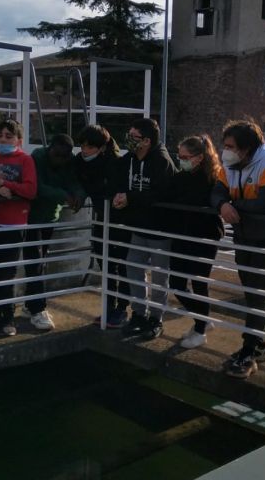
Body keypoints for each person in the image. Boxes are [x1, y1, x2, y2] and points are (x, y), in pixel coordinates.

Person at [212, 119, 265, 379]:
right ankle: (260, 345)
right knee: (250, 289)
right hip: (244, 236)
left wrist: (232, 204)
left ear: (246, 149)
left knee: (258, 291)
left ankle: (249, 348)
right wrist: (223, 204)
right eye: (225, 146)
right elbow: (216, 192)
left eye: (231, 146)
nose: (226, 151)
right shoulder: (231, 165)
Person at [110, 117, 177, 339]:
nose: (128, 139)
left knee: (159, 277)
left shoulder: (161, 161)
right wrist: (120, 196)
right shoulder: (130, 159)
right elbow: (120, 180)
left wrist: (130, 197)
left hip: (159, 228)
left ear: (146, 141)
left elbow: (162, 193)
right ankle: (139, 313)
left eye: (133, 136)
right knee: (133, 268)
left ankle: (156, 318)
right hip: (138, 226)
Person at [161, 135, 225, 349]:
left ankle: (200, 329)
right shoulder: (181, 177)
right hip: (182, 234)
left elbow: (202, 200)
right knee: (178, 284)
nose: (181, 160)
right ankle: (203, 321)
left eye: (185, 157)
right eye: (179, 156)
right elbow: (168, 196)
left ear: (199, 158)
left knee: (199, 282)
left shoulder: (213, 179)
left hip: (204, 236)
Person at [0, 118, 37, 337]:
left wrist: (7, 185)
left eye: (9, 136)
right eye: (0, 135)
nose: (3, 139)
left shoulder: (25, 160)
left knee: (8, 272)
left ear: (19, 140)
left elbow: (31, 190)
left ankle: (8, 317)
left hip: (14, 223)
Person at [24, 133, 86, 331]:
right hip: (31, 217)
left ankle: (31, 303)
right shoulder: (37, 157)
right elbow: (38, 187)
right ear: (50, 149)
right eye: (56, 155)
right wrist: (64, 196)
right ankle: (37, 308)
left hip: (50, 216)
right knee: (34, 262)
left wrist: (78, 195)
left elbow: (74, 181)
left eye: (63, 157)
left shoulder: (68, 162)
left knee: (39, 261)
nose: (59, 160)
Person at [74, 124, 130, 328]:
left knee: (121, 263)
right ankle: (109, 305)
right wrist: (80, 192)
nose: (84, 151)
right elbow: (76, 179)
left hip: (119, 219)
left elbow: (118, 188)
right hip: (101, 217)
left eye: (90, 147)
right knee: (104, 261)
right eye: (82, 146)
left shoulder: (116, 163)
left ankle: (122, 307)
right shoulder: (81, 161)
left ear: (102, 147)